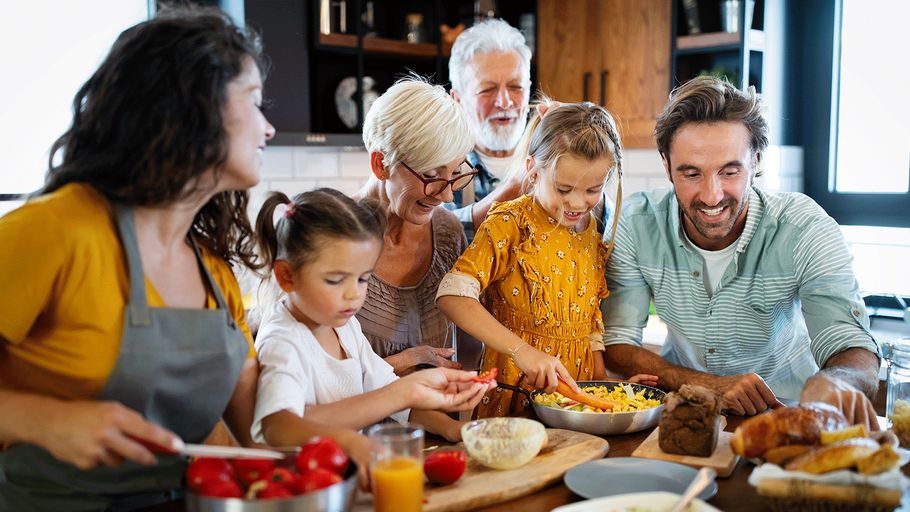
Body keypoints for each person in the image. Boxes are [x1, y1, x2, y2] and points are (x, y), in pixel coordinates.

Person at [0, 7, 363, 509]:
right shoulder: (54, 230)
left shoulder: (213, 272)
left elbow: (258, 435)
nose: (268, 128)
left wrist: (353, 448)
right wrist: (44, 419)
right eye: (255, 103)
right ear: (193, 107)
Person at [600, 76, 882, 429]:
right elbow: (617, 343)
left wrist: (836, 383)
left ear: (757, 160)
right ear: (666, 165)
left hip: (790, 415)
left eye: (729, 171)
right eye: (691, 174)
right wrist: (707, 385)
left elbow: (851, 343)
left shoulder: (805, 228)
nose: (712, 195)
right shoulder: (637, 223)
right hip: (683, 415)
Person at [437, 102, 657, 418]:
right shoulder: (510, 224)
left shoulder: (591, 231)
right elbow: (452, 296)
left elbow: (590, 325)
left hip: (576, 401)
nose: (577, 203)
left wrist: (605, 387)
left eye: (593, 189)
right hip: (516, 394)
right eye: (563, 188)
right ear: (533, 169)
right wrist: (522, 351)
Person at [250, 189, 493, 447]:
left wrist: (453, 429)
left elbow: (389, 394)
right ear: (287, 276)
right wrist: (356, 439)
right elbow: (277, 426)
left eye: (363, 278)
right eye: (335, 280)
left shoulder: (344, 326)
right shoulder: (284, 340)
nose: (354, 294)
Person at [354, 78, 478, 374]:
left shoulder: (448, 234)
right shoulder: (329, 237)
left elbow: (470, 350)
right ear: (380, 164)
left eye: (455, 173)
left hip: (438, 421)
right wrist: (403, 362)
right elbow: (313, 385)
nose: (447, 194)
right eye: (431, 175)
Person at [446, 18, 532, 241]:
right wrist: (513, 190)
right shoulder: (441, 169)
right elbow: (434, 236)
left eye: (516, 87)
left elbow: (605, 228)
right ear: (457, 99)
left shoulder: (552, 157)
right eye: (487, 90)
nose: (505, 102)